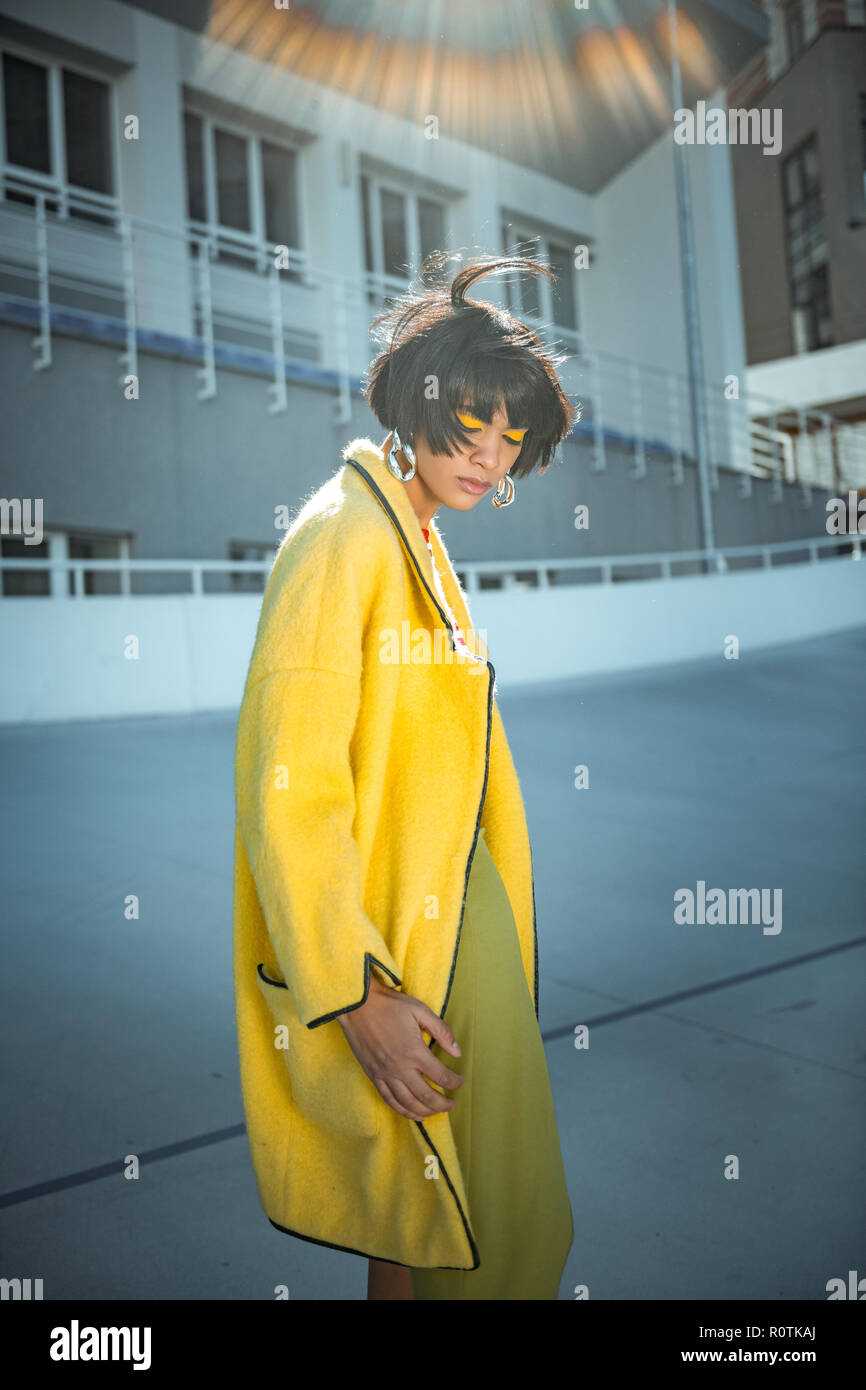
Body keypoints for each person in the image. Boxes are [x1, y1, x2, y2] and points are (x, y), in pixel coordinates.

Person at [233, 251, 577, 1301]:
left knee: (434, 1216)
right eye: (467, 427)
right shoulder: (342, 538)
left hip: (451, 926)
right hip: (398, 951)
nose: (486, 456)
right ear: (413, 409)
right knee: (470, 1216)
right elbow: (288, 789)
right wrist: (355, 992)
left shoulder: (417, 537)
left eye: (507, 437)